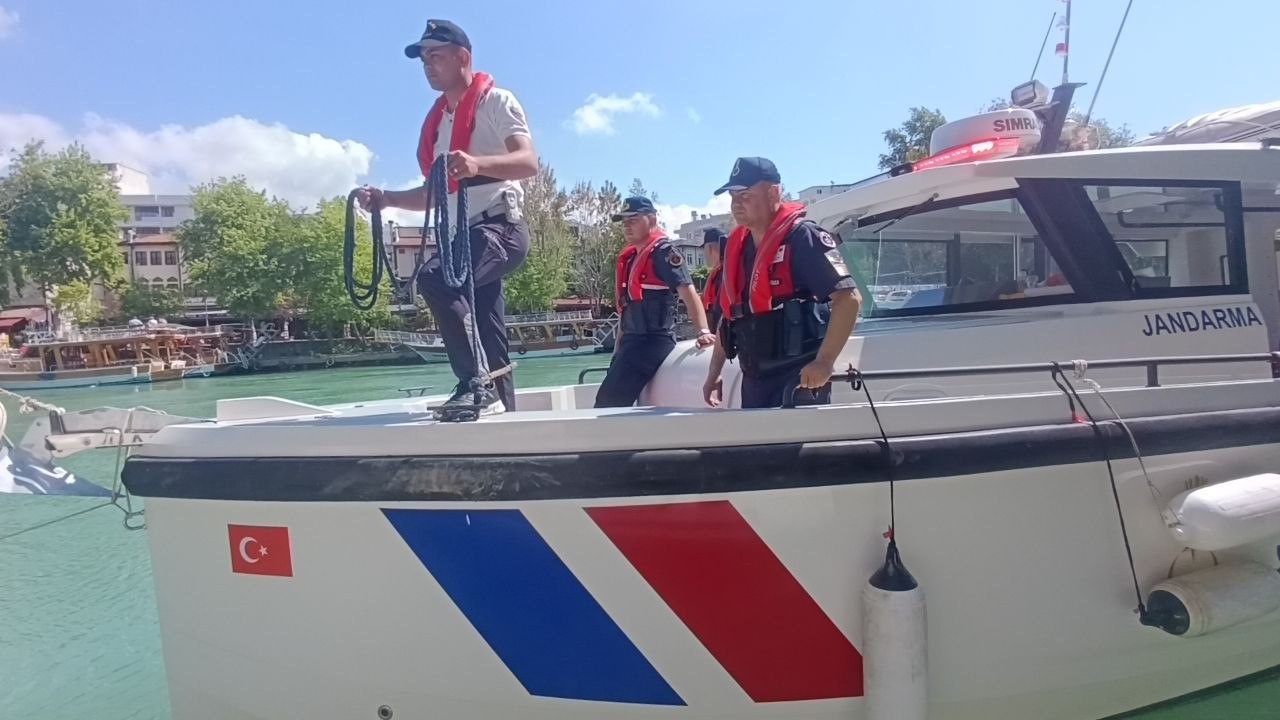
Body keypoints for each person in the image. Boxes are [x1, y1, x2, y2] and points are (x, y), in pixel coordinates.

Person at [357, 19, 537, 415]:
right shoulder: (439, 124)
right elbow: (436, 193)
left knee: (436, 278)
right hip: (465, 237)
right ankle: (502, 415)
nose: (427, 65)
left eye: (435, 56)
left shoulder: (497, 102)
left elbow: (528, 162)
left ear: (463, 57)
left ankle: (476, 386)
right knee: (488, 331)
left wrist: (477, 164)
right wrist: (386, 199)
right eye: (424, 59)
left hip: (500, 228)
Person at [702, 157, 862, 409]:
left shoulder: (803, 237)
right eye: (733, 196)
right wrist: (714, 372)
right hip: (755, 381)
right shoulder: (737, 249)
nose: (736, 204)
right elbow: (730, 316)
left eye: (745, 195)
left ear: (773, 193)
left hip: (799, 381)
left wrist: (824, 362)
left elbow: (849, 299)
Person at [594, 197, 716, 408]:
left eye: (633, 220)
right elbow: (627, 309)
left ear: (651, 220)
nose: (627, 226)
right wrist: (618, 349)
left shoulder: (663, 253)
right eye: (624, 222)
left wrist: (702, 331)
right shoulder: (631, 258)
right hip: (631, 342)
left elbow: (689, 293)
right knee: (608, 400)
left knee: (607, 403)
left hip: (652, 341)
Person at [700, 227, 727, 332]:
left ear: (710, 248)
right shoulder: (723, 271)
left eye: (704, 249)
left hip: (720, 333)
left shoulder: (721, 275)